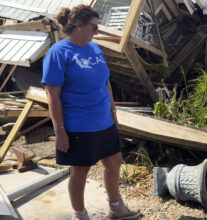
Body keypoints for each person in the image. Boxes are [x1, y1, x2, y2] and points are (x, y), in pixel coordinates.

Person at [41, 5, 141, 220]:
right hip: (79, 124)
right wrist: (60, 130)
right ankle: (79, 214)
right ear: (78, 25)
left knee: (114, 163)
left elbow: (106, 84)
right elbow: (52, 95)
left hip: (103, 121)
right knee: (81, 171)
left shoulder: (94, 49)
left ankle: (116, 207)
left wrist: (113, 113)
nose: (96, 32)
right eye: (94, 27)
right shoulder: (58, 53)